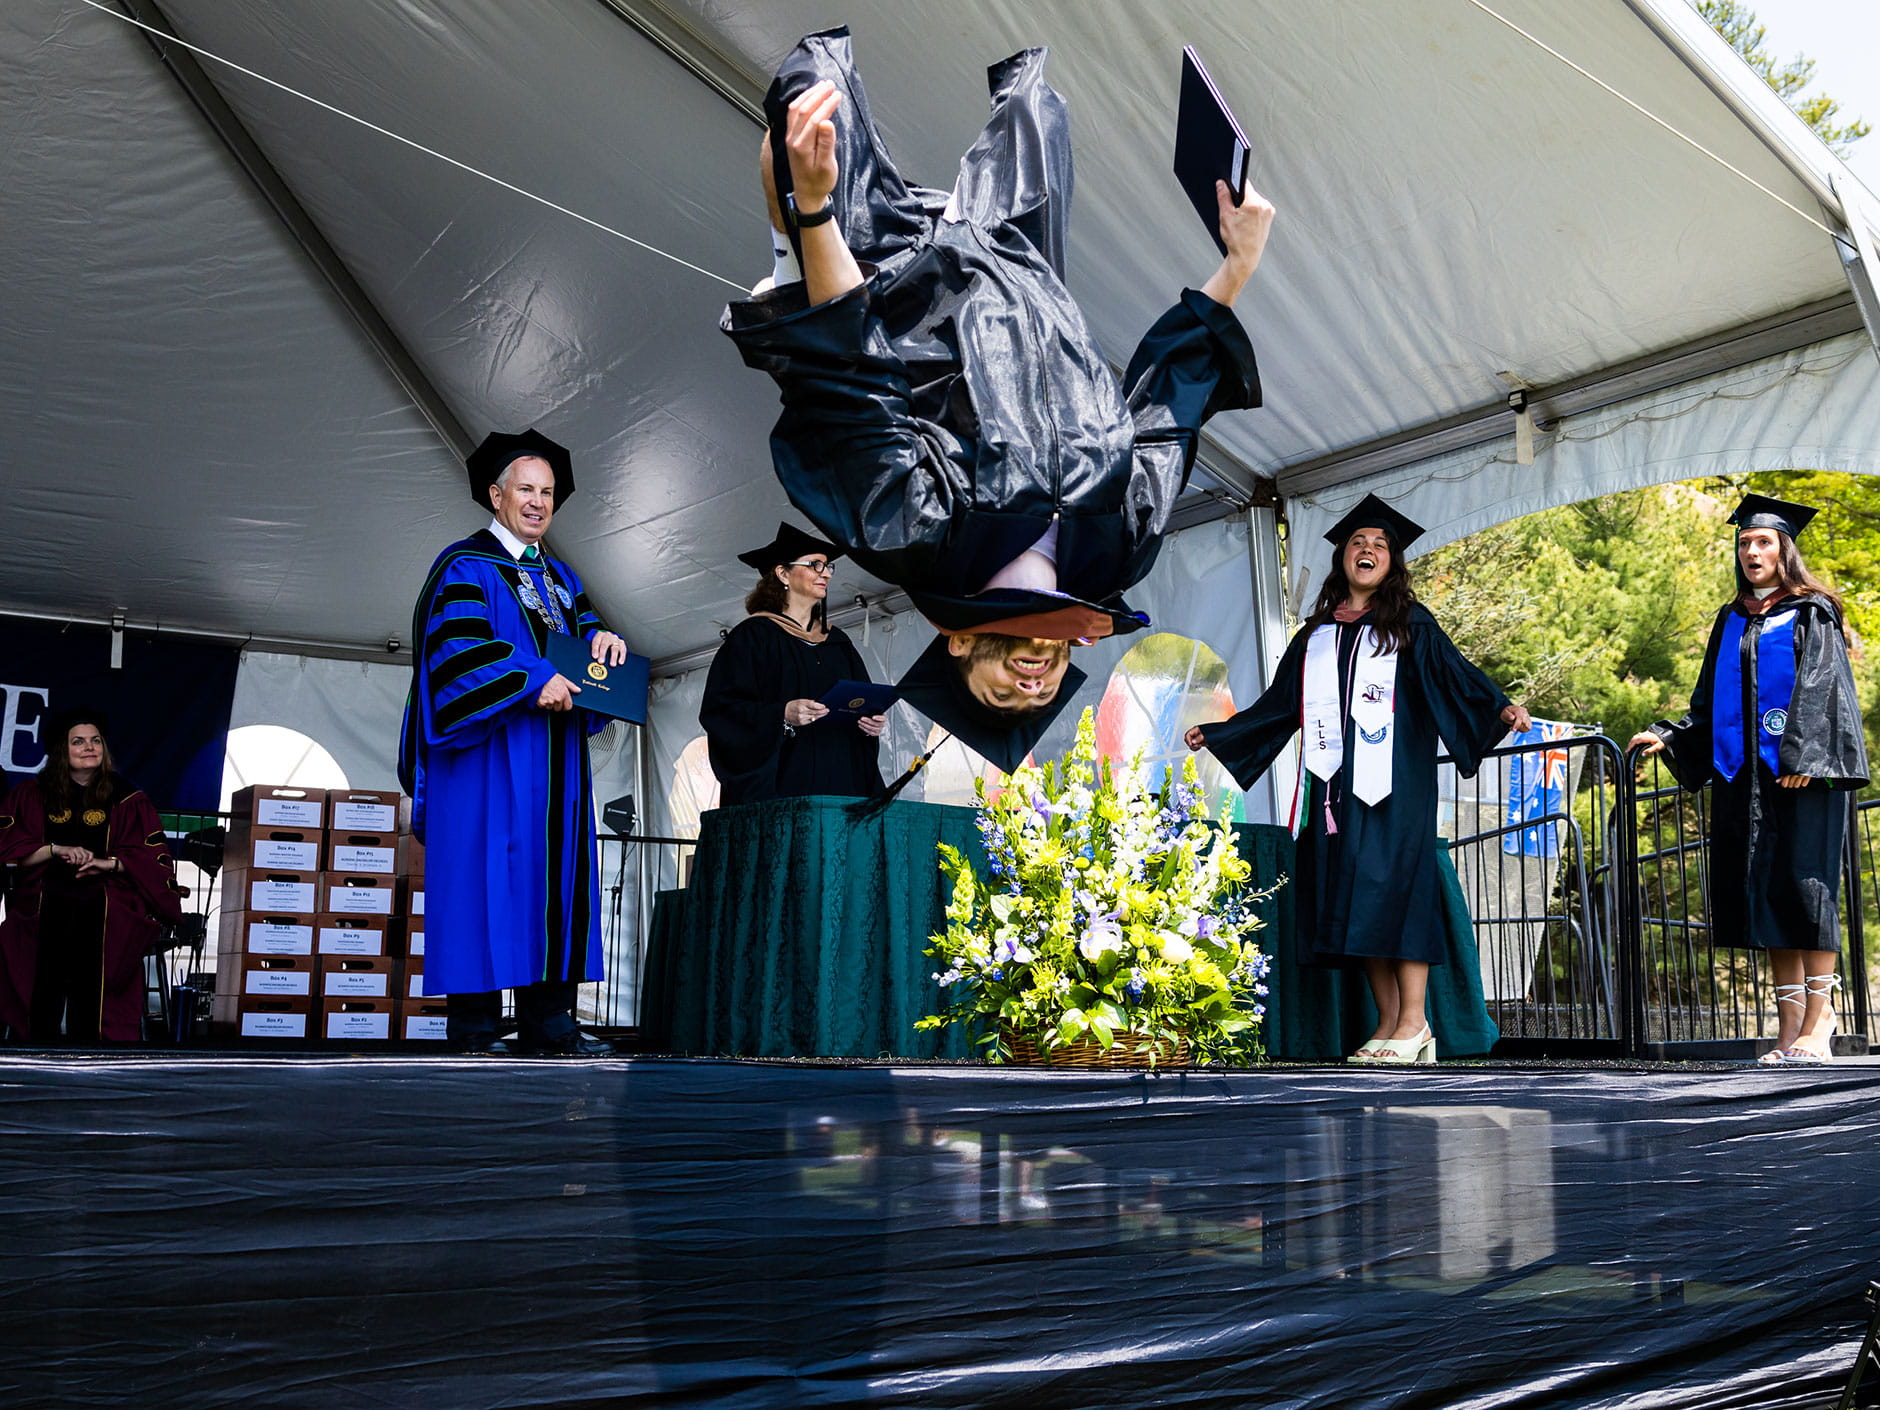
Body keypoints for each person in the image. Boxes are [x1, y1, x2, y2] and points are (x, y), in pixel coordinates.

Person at [723, 29, 1274, 740]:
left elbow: (848, 373)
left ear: (955, 644)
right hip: (1023, 256)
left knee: (806, 99)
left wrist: (813, 215)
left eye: (997, 699)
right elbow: (1167, 414)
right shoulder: (1117, 552)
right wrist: (1237, 267)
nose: (1031, 687)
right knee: (1038, 100)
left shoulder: (916, 536)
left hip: (898, 272)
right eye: (1039, 700)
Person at [1186, 496, 1531, 1064]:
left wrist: (1500, 709)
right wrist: (1222, 733)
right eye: (1357, 543)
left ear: (1393, 563)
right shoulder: (1316, 636)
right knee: (1358, 898)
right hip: (1334, 789)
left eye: (1379, 545)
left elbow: (1458, 678)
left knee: (1398, 891)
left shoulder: (1410, 625)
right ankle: (1389, 1022)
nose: (1367, 550)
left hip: (1396, 787)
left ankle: (1417, 1023)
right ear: (1342, 560)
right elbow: (1279, 707)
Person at [397, 429, 627, 1056]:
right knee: (482, 879)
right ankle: (474, 1027)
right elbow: (457, 652)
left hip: (555, 762)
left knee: (553, 883)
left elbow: (583, 641)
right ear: (496, 495)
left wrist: (607, 644)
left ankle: (551, 1025)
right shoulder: (464, 568)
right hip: (487, 758)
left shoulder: (561, 578)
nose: (537, 501)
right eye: (525, 489)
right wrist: (533, 680)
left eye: (547, 492)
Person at [1630, 494, 1868, 1065]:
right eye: (1744, 543)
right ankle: (1789, 1028)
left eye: (1763, 541)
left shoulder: (1812, 611)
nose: (1752, 550)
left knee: (1806, 888)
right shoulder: (1732, 617)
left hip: (1802, 776)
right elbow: (1712, 699)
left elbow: (1826, 691)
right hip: (1746, 779)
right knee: (1766, 895)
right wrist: (1673, 735)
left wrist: (1804, 758)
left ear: (1784, 549)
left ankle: (1822, 1020)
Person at [0, 709, 183, 1043]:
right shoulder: (30, 794)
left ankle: (99, 1059)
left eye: (96, 740)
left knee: (99, 994)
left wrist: (107, 863)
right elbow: (12, 847)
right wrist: (57, 849)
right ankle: (34, 1053)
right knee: (34, 974)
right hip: (44, 906)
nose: (90, 748)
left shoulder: (129, 799)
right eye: (78, 741)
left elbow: (152, 857)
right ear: (61, 750)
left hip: (105, 908)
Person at [700, 523, 887, 804]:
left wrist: (870, 721)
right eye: (815, 565)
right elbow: (722, 712)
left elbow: (859, 700)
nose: (825, 573)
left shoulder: (837, 641)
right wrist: (781, 714)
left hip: (843, 782)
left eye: (828, 567)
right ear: (783, 573)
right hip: (784, 785)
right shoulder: (753, 637)